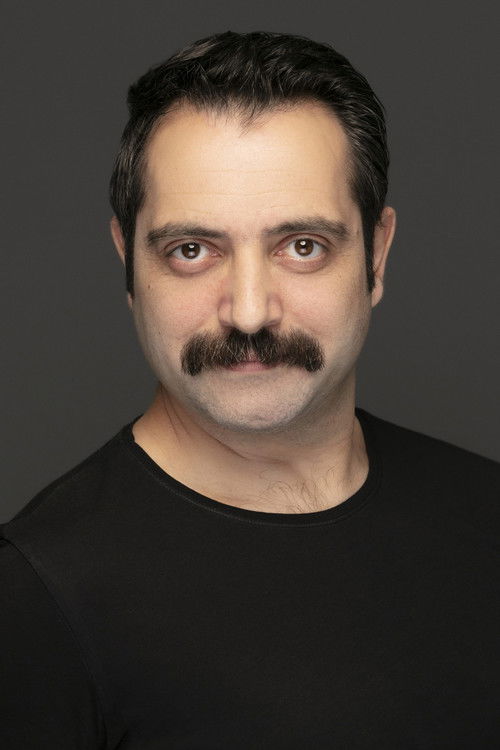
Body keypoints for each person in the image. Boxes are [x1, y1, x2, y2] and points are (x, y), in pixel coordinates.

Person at [1, 30, 498, 749]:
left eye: (302, 247)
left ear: (377, 256)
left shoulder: (486, 513)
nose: (249, 312)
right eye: (192, 250)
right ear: (129, 264)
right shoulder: (35, 597)